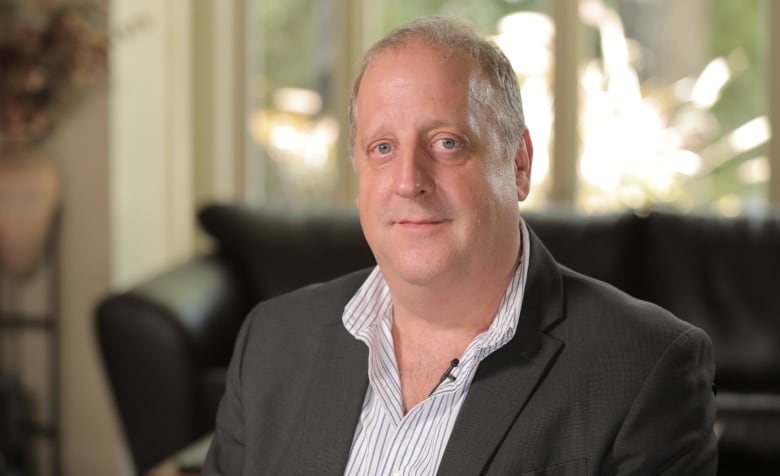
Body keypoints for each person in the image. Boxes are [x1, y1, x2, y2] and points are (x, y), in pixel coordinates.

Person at [203, 16, 717, 475]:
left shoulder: (644, 367)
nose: (409, 181)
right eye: (382, 148)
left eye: (446, 143)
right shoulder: (272, 343)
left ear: (518, 164)